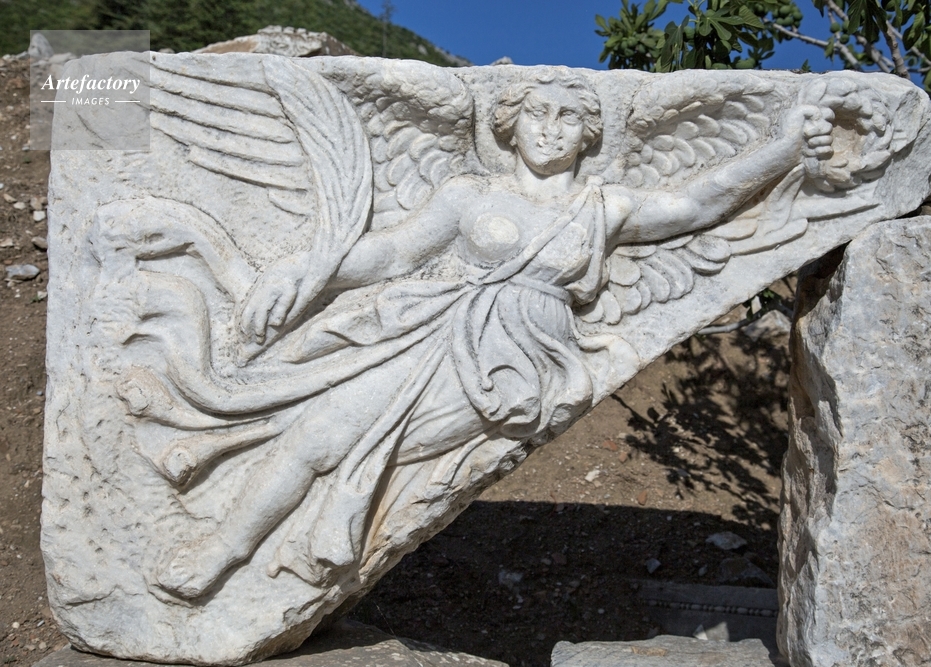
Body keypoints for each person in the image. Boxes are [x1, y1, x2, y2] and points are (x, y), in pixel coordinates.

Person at [153, 70, 834, 599]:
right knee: (318, 432)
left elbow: (699, 202)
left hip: (519, 364)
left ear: (589, 134)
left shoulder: (603, 206)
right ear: (509, 125)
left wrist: (785, 149)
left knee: (355, 444)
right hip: (429, 327)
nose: (550, 130)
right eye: (537, 113)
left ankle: (281, 548)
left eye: (568, 117)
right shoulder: (469, 193)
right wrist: (311, 267)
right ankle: (222, 552)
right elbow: (393, 253)